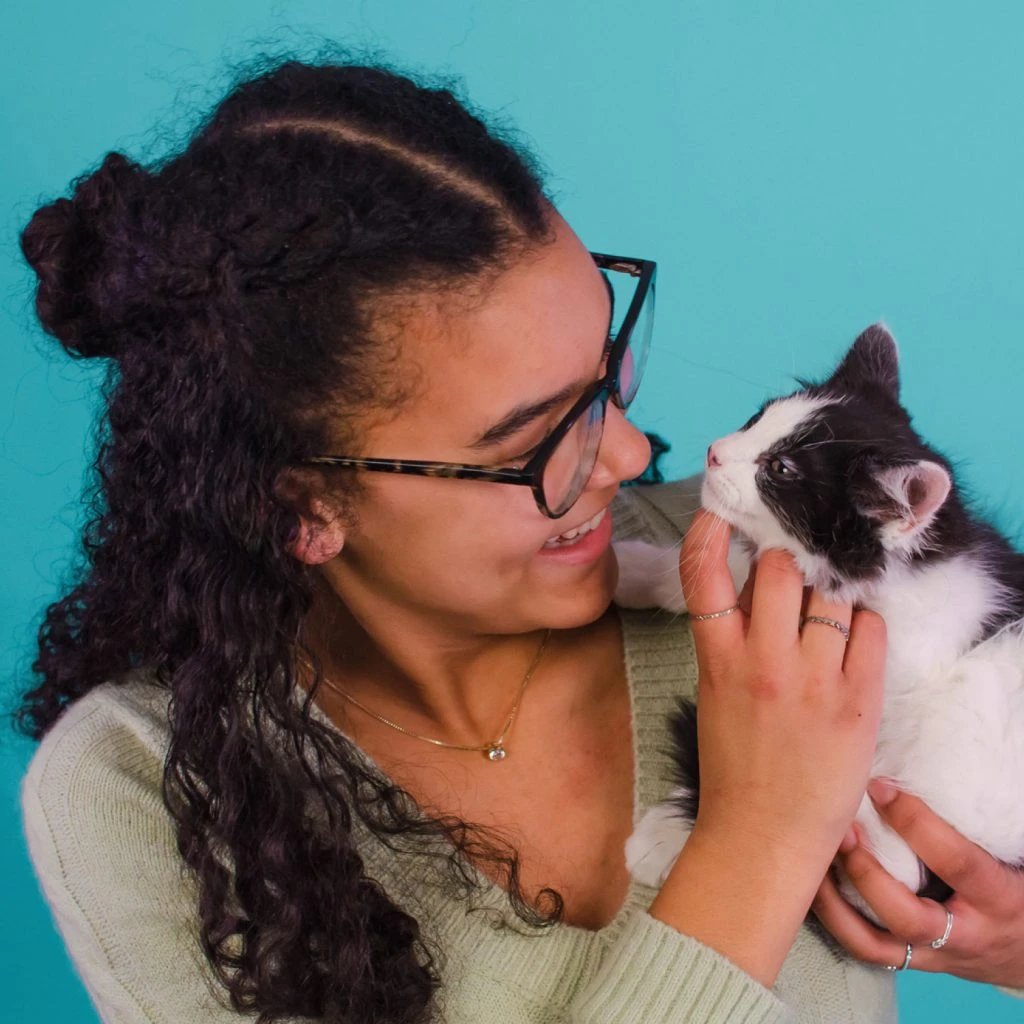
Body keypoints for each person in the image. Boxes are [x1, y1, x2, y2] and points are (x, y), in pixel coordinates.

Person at [15, 54, 1024, 1024]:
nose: (629, 454)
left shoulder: (778, 577)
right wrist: (756, 840)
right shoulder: (136, 786)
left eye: (607, 374)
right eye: (536, 438)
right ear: (304, 510)